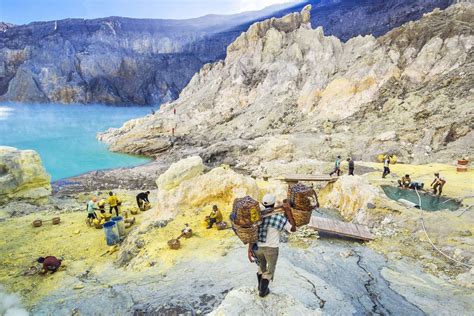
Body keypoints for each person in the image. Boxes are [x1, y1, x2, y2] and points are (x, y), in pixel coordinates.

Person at [248, 194, 296, 297]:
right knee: (269, 271)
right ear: (274, 204)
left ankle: (260, 286)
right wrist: (288, 212)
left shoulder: (257, 217)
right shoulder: (278, 217)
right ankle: (263, 292)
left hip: (258, 248)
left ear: (262, 204)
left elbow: (251, 234)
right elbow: (292, 229)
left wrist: (249, 249)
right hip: (271, 249)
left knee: (261, 267)